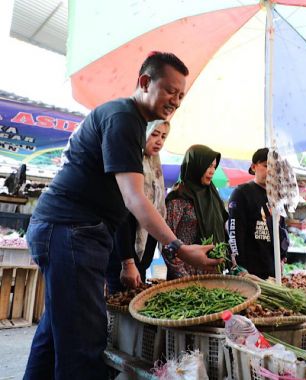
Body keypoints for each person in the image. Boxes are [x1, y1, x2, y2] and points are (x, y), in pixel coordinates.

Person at [24, 52, 221, 379]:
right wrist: (179, 249)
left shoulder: (128, 120)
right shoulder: (123, 118)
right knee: (84, 343)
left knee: (55, 332)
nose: (176, 101)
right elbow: (135, 199)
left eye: (181, 95)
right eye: (171, 91)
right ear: (145, 82)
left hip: (69, 230)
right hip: (71, 231)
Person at [106, 120, 169, 293]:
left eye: (163, 136)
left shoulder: (155, 168)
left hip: (141, 260)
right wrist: (128, 262)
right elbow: (122, 217)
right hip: (122, 257)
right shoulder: (130, 166)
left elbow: (156, 212)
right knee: (119, 311)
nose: (159, 141)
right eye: (154, 134)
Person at [162, 144, 228, 279]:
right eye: (208, 166)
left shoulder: (212, 196)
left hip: (212, 274)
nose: (212, 171)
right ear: (196, 166)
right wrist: (183, 276)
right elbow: (166, 242)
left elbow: (223, 233)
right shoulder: (178, 198)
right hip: (185, 276)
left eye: (214, 167)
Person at [228, 147, 289, 279]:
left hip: (273, 272)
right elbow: (234, 232)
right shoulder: (242, 193)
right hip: (249, 273)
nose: (270, 171)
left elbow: (282, 230)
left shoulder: (277, 198)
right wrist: (239, 266)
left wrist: (282, 257)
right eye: (266, 166)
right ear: (254, 166)